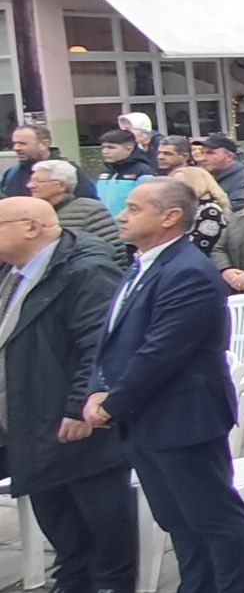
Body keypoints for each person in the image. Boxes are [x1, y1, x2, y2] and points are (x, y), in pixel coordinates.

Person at [86, 179, 244, 593]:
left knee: (214, 519)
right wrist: (97, 387)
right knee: (177, 520)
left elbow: (162, 351)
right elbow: (113, 337)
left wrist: (113, 403)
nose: (120, 216)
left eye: (134, 208)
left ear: (170, 217)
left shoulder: (188, 272)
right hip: (145, 418)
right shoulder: (143, 263)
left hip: (183, 419)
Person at [0, 198, 136, 593]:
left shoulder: (85, 270)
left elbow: (103, 344)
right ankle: (73, 580)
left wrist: (79, 404)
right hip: (28, 418)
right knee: (59, 521)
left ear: (31, 227)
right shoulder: (14, 271)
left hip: (72, 421)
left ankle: (110, 585)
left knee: (99, 519)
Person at [27, 159, 124, 265]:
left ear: (61, 186)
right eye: (31, 181)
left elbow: (115, 252)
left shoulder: (89, 210)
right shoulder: (30, 212)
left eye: (38, 181)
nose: (30, 185)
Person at [3, 125, 97, 200]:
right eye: (14, 143)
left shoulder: (68, 171)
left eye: (22, 143)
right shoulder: (12, 173)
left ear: (44, 144)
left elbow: (88, 204)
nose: (16, 148)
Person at [170, 166, 230, 256]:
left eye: (180, 184)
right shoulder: (183, 208)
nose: (172, 189)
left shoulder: (210, 212)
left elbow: (200, 247)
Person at [200, 134, 244, 210]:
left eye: (210, 153)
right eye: (202, 153)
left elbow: (239, 209)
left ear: (229, 157)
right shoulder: (205, 177)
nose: (203, 158)